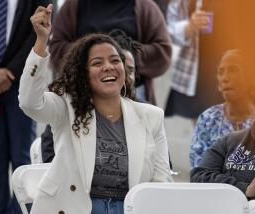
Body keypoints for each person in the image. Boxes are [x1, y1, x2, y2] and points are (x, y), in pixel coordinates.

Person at [19, 5, 172, 213]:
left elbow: (161, 182)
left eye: (115, 60)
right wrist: (41, 42)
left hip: (130, 208)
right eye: (97, 63)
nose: (108, 66)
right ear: (82, 74)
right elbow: (29, 102)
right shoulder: (66, 108)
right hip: (75, 207)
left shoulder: (151, 117)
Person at [40, 29, 142, 163]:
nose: (110, 69)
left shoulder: (147, 114)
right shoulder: (69, 108)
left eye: (130, 70)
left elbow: (162, 169)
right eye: (98, 63)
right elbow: (50, 156)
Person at [0, 0, 51, 213]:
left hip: (22, 83)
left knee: (21, 154)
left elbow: (39, 33)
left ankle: (20, 211)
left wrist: (7, 73)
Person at [49, 0, 171, 104]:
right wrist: (89, 51)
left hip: (132, 93)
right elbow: (56, 50)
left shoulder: (145, 7)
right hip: (83, 93)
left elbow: (163, 53)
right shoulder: (74, 5)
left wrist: (129, 53)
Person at [190, 50, 254, 168]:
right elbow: (199, 171)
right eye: (221, 72)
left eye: (233, 70)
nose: (224, 78)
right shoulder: (208, 119)